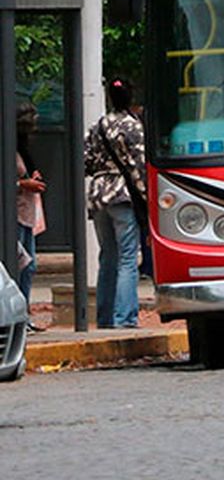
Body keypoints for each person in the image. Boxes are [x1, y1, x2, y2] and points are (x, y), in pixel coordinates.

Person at [84, 77, 147, 329]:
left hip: (99, 194)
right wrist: (146, 199)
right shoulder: (133, 126)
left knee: (107, 257)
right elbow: (138, 167)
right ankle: (126, 318)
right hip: (123, 195)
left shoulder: (98, 126)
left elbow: (86, 161)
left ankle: (105, 318)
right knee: (128, 258)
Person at [14, 101, 46, 332]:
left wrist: (31, 178)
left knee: (29, 265)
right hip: (13, 213)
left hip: (26, 212)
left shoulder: (22, 148)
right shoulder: (8, 146)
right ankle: (17, 315)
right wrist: (23, 183)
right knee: (19, 264)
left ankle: (23, 314)